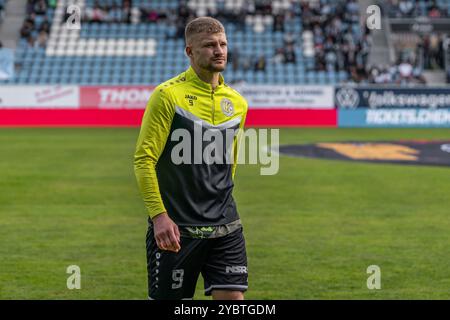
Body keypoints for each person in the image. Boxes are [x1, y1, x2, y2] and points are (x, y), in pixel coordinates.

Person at [134, 16, 249, 300]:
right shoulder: (167, 96)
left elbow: (229, 163)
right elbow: (144, 159)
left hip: (225, 224)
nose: (219, 50)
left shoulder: (237, 102)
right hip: (177, 228)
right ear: (190, 51)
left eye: (223, 44)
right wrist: (159, 216)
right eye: (210, 45)